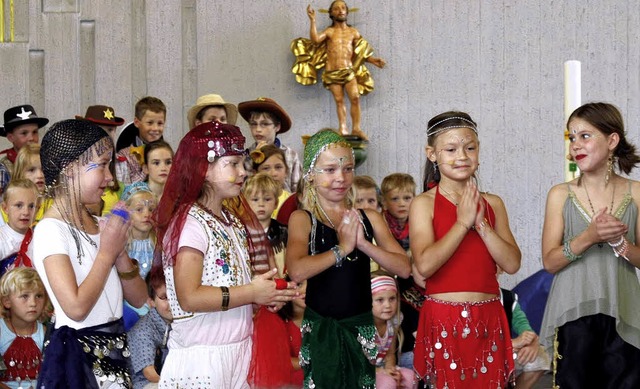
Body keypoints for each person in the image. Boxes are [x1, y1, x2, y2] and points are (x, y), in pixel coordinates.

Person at [151, 121, 298, 388]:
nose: (243, 172)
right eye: (233, 164)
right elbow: (189, 296)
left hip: (237, 353)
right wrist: (251, 293)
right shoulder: (190, 224)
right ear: (204, 169)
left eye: (242, 163)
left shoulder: (231, 220)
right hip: (203, 360)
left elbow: (228, 281)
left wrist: (265, 293)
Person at [286, 129, 410, 388]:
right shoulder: (303, 219)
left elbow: (404, 268)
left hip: (361, 329)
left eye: (348, 169)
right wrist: (342, 248)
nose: (340, 178)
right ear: (310, 174)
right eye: (329, 170)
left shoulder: (368, 218)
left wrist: (363, 244)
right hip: (321, 331)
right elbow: (296, 270)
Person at [33, 119, 147, 388]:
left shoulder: (98, 225)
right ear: (70, 168)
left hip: (114, 351)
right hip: (78, 363)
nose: (110, 178)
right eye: (102, 165)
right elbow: (76, 308)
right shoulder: (50, 230)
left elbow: (141, 299)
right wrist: (107, 253)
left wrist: (119, 255)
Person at [410, 111, 521, 388]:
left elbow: (512, 263)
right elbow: (424, 265)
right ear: (432, 154)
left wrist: (481, 223)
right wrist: (462, 223)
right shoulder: (423, 204)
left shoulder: (493, 203)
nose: (462, 155)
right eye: (450, 149)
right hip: (443, 320)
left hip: (488, 317)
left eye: (469, 147)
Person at [540, 102, 640, 388]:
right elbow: (549, 261)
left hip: (625, 312)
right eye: (571, 137)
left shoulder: (636, 193)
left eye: (585, 136)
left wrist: (620, 243)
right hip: (573, 315)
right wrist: (589, 236)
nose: (575, 145)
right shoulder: (560, 194)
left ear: (612, 140)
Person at [294, 1, 386, 140]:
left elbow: (360, 53)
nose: (340, 11)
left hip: (349, 71)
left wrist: (373, 60)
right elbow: (315, 40)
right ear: (331, 13)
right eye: (336, 9)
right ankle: (343, 127)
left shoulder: (353, 32)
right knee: (339, 100)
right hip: (332, 72)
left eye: (343, 8)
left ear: (347, 12)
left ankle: (356, 128)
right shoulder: (329, 31)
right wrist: (312, 21)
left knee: (355, 97)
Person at [248, 279, 306, 388]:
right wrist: (313, 360)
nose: (305, 290)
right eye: (299, 285)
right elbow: (277, 361)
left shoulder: (322, 320)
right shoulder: (274, 319)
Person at [239, 97, 302, 193]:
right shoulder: (246, 157)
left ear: (277, 126)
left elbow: (298, 191)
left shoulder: (290, 155)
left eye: (264, 124)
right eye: (253, 124)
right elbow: (244, 191)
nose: (258, 129)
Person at [0, 267, 48, 389]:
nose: (33, 303)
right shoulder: (1, 330)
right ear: (7, 301)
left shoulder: (45, 333)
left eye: (39, 296)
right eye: (25, 296)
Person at [76, 104, 127, 215]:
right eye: (99, 129)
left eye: (110, 130)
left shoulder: (122, 164)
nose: (106, 135)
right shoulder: (76, 163)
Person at [371, 274, 417, 389]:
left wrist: (391, 370)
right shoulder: (364, 328)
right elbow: (358, 362)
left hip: (383, 368)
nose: (388, 305)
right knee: (388, 383)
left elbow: (390, 353)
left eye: (392, 299)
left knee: (410, 378)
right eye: (380, 300)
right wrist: (382, 372)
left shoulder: (393, 322)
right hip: (364, 371)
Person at [127, 273, 172, 389]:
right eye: (165, 297)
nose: (173, 302)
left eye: (176, 295)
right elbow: (150, 373)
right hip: (147, 384)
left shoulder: (181, 322)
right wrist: (180, 379)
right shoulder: (142, 331)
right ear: (151, 302)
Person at [499, 286, 550, 389]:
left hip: (503, 352)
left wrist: (532, 341)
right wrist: (509, 344)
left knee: (539, 355)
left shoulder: (507, 297)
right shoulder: (466, 297)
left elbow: (523, 325)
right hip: (473, 356)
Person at [243, 173, 288, 277]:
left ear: (276, 203)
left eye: (267, 199)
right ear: (245, 204)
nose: (261, 204)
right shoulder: (241, 231)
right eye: (255, 199)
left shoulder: (284, 231)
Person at [116, 97, 166, 185]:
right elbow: (125, 189)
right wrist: (144, 173)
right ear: (137, 122)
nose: (155, 128)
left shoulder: (166, 154)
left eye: (160, 123)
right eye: (150, 123)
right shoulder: (125, 156)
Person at [0, 105, 48, 196]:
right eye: (24, 133)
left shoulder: (47, 161)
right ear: (11, 137)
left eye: (34, 132)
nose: (31, 138)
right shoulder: (3, 170)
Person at [0, 180, 38, 276]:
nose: (26, 212)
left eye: (31, 206)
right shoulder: (2, 239)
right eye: (19, 205)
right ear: (5, 208)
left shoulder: (39, 239)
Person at [6, 145, 51, 225]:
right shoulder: (8, 207)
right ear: (19, 174)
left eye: (43, 169)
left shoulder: (54, 206)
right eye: (31, 170)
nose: (40, 175)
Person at [251, 144, 291, 216]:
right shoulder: (249, 202)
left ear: (286, 171)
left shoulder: (292, 202)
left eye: (278, 167)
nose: (273, 174)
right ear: (255, 173)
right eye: (266, 168)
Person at [381, 173, 416, 253]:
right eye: (395, 199)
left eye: (407, 198)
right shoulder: (380, 223)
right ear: (384, 203)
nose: (402, 204)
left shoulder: (419, 222)